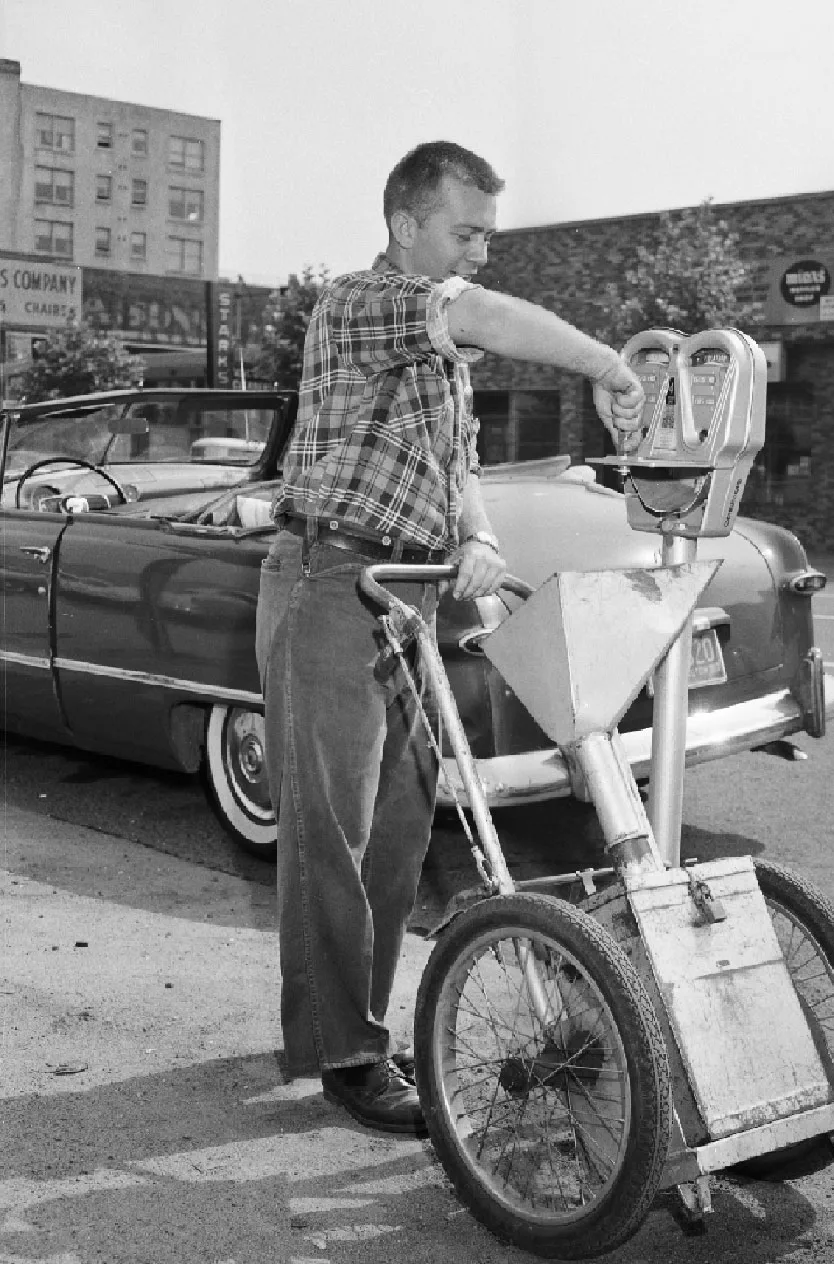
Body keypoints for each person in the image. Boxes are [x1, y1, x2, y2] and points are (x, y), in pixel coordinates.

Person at [255, 141, 645, 1134]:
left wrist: (475, 534)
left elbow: (458, 462)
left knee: (398, 828)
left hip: (406, 594)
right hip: (330, 577)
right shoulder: (359, 302)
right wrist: (604, 361)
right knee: (331, 833)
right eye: (464, 232)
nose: (478, 254)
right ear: (405, 226)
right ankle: (347, 1054)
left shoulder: (438, 361)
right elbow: (476, 314)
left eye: (486, 236)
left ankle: (359, 1022)